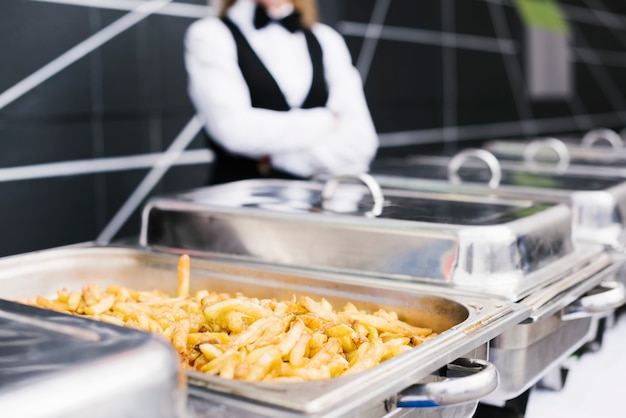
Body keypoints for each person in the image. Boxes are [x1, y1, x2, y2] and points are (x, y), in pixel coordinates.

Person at [184, 0, 379, 184]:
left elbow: (362, 141)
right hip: (240, 203)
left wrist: (270, 154)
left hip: (318, 206)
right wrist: (326, 121)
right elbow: (232, 130)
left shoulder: (327, 39)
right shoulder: (209, 35)